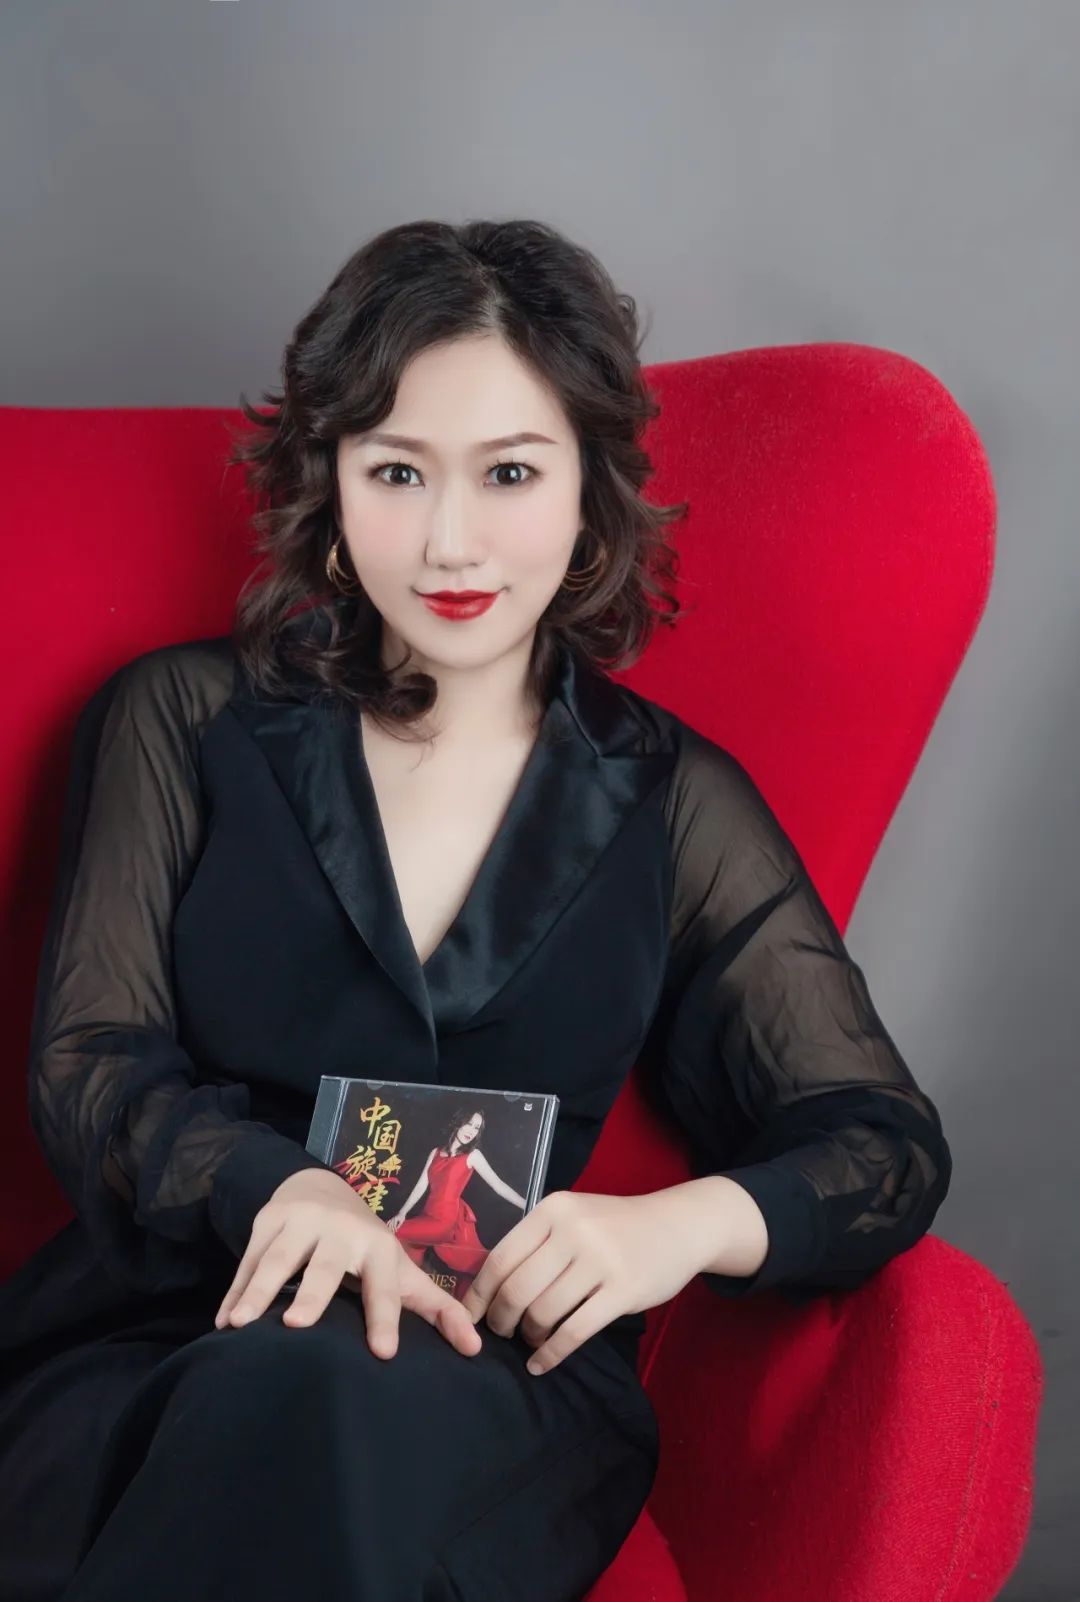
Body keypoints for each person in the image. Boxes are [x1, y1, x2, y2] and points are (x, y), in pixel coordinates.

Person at [0, 218, 952, 1602]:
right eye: (397, 471)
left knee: (330, 1408)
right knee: (267, 1405)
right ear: (331, 481)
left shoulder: (670, 799)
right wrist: (283, 1186)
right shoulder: (184, 719)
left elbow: (881, 1145)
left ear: (589, 493)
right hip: (174, 1319)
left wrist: (675, 1227)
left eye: (510, 472)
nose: (451, 541)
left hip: (481, 1366)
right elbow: (93, 1064)